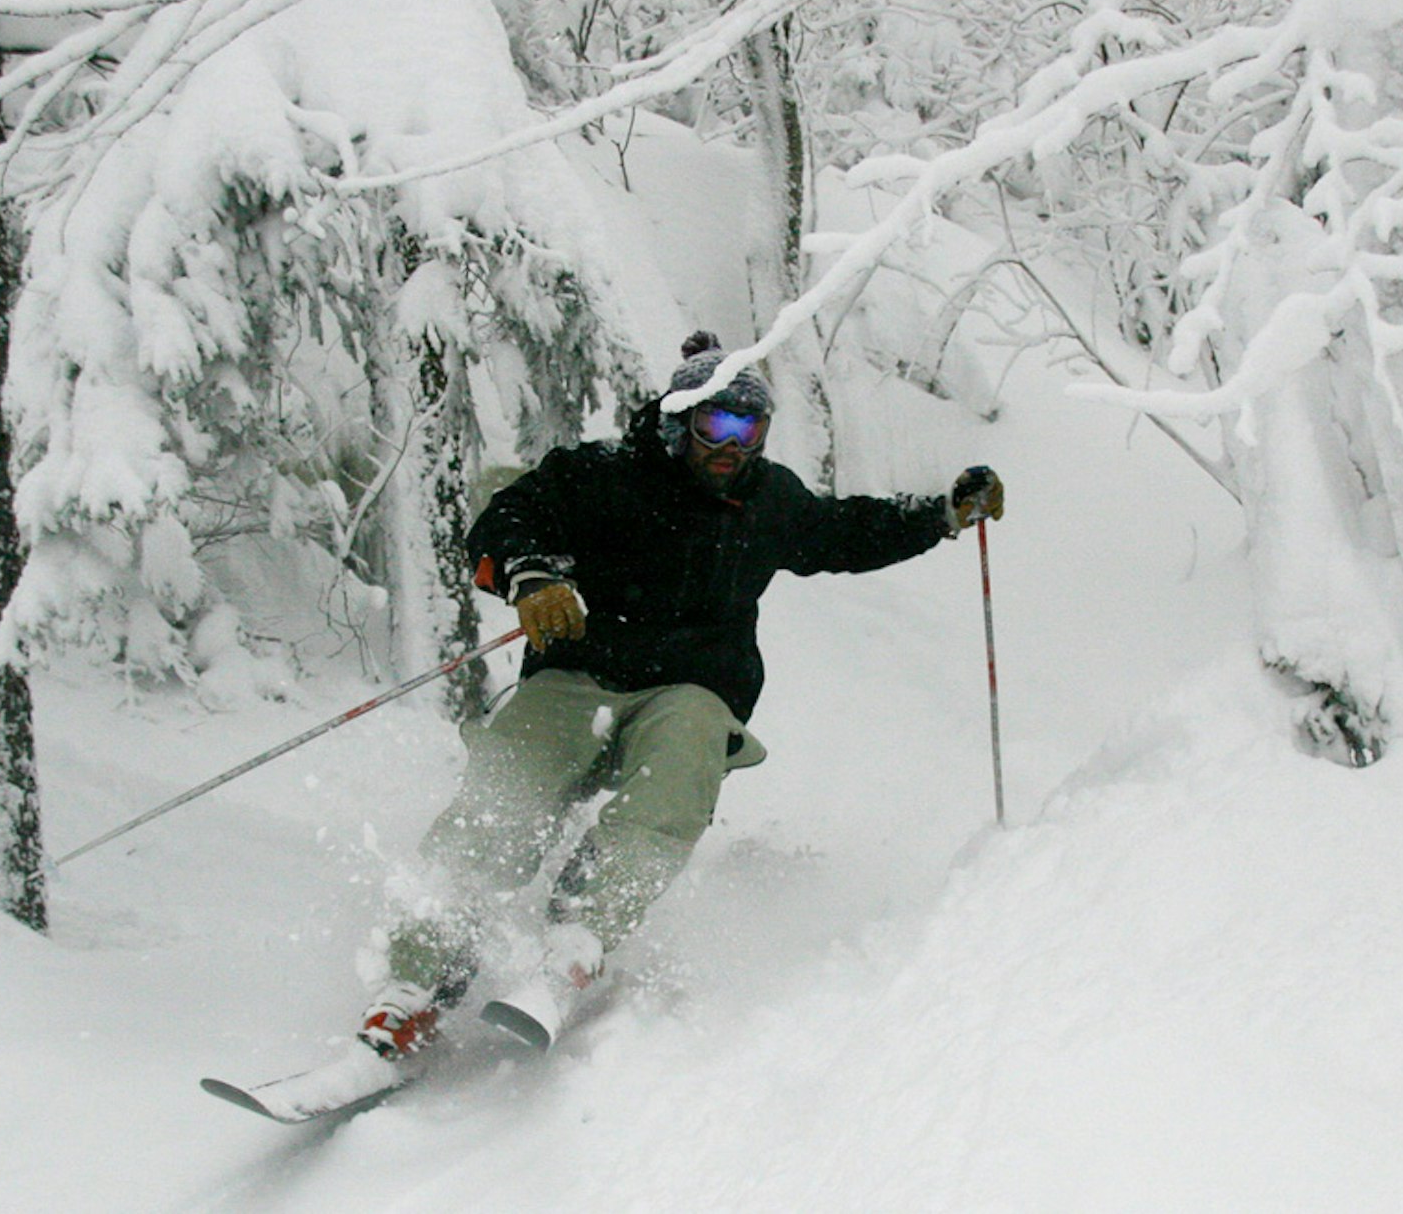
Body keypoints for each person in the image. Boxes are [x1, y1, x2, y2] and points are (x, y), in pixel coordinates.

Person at [358, 331, 1005, 1058]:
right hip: (578, 677)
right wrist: (532, 576)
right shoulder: (602, 474)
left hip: (688, 692)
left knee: (679, 773)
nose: (731, 446)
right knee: (505, 796)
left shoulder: (767, 499)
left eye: (749, 429)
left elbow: (846, 532)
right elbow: (511, 516)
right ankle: (414, 980)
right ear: (678, 419)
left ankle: (575, 943)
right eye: (716, 424)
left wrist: (942, 513)